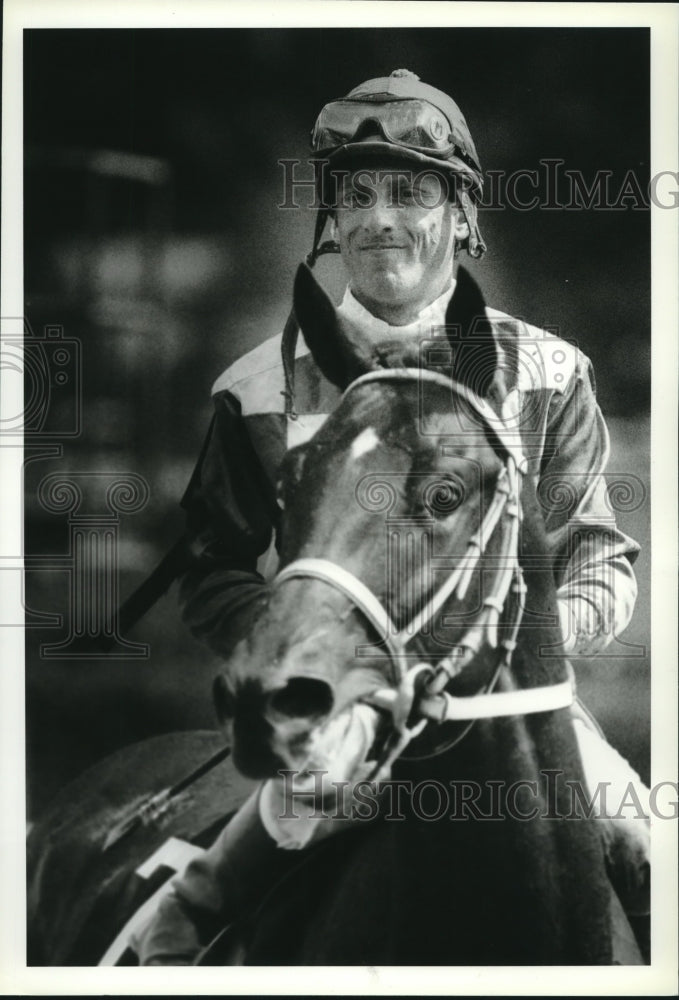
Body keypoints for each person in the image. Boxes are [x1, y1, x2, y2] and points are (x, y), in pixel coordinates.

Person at [134, 70, 649, 965]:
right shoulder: (254, 389)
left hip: (517, 720)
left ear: (461, 217)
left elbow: (600, 561)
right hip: (337, 719)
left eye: (410, 192)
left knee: (647, 846)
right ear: (329, 222)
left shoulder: (550, 375)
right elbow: (212, 572)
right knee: (189, 911)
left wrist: (511, 647)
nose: (379, 217)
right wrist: (318, 652)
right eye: (355, 195)